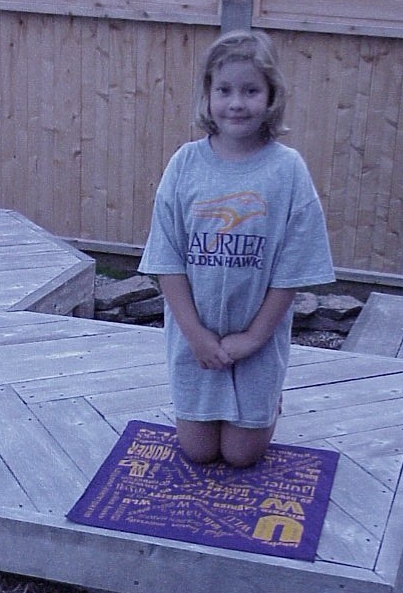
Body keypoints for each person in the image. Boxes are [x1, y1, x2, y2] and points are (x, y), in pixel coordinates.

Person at [138, 29, 334, 467]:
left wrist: (254, 337)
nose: (236, 103)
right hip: (195, 340)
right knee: (199, 452)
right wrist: (196, 336)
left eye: (250, 90)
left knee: (242, 456)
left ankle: (268, 402)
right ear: (208, 95)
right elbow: (167, 260)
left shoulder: (287, 170)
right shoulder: (184, 164)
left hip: (256, 341)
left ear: (271, 96)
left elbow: (294, 266)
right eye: (224, 90)